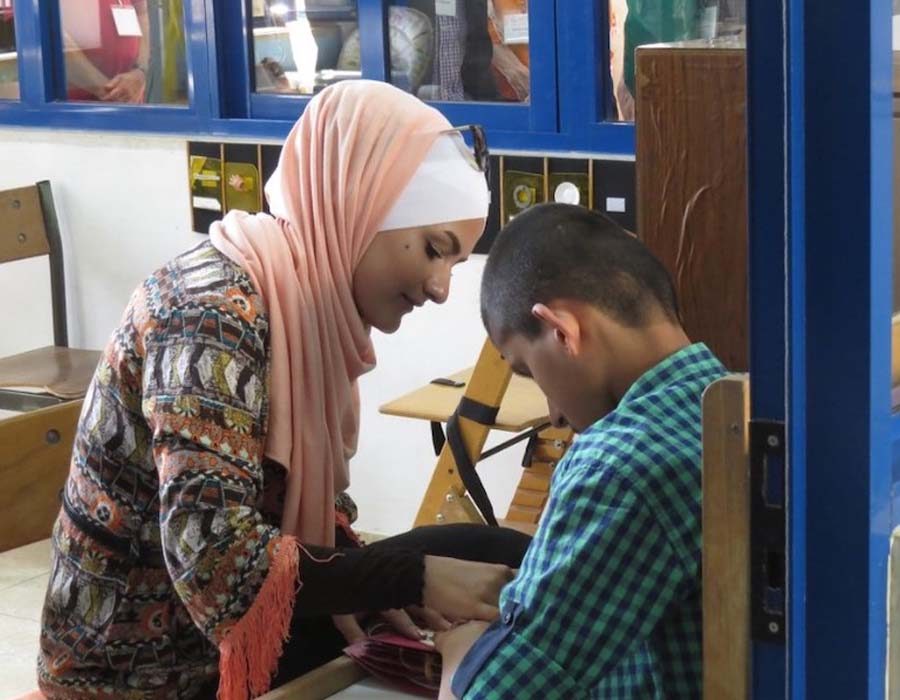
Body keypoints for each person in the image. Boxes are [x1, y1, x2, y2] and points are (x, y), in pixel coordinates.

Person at [37, 80, 531, 700]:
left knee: (490, 551)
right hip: (144, 669)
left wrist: (373, 582)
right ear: (361, 207)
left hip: (209, 634)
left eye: (455, 264)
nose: (440, 288)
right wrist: (402, 577)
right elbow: (214, 564)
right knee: (457, 575)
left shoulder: (300, 306)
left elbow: (304, 509)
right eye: (435, 250)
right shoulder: (211, 315)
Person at [435, 203, 727, 699]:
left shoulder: (620, 466)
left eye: (527, 370)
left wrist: (458, 649)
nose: (555, 415)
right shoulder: (734, 408)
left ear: (562, 331)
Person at [60, 0, 149, 102]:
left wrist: (140, 73)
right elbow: (54, 33)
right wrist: (110, 91)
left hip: (129, 96)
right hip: (75, 104)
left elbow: (141, 11)